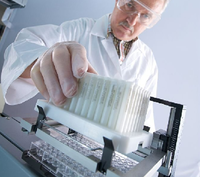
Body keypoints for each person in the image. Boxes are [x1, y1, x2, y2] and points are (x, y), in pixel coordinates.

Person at [1, 0, 169, 131]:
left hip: (114, 160)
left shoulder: (148, 62)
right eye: (130, 4)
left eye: (145, 16)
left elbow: (144, 119)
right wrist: (42, 58)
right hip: (61, 146)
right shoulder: (81, 29)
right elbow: (23, 45)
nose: (132, 21)